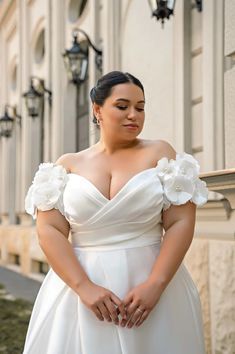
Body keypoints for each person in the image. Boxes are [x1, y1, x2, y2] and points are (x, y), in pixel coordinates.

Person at [23, 71, 208, 354]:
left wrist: (155, 284)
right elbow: (49, 230)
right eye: (123, 106)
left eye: (141, 107)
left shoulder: (161, 153)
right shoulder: (67, 164)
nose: (134, 115)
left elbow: (181, 220)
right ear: (97, 110)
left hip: (152, 289)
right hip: (79, 292)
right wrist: (83, 286)